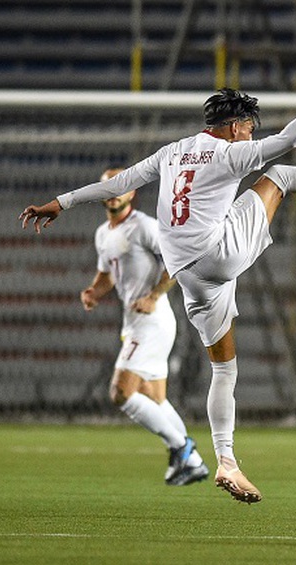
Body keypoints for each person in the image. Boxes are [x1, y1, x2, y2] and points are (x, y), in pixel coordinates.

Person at [20, 67, 296, 504]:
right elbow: (287, 141)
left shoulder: (171, 152)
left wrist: (62, 202)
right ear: (236, 127)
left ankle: (226, 460)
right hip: (220, 253)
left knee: (224, 367)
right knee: (281, 176)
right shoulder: (228, 154)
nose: (250, 135)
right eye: (249, 129)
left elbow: (121, 182)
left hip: (188, 277)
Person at [81, 168, 208, 486]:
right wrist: (93, 292)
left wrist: (153, 296)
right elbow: (107, 274)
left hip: (152, 321)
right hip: (136, 322)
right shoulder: (103, 234)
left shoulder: (145, 227)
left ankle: (181, 446)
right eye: (107, 186)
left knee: (120, 393)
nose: (113, 192)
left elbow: (177, 261)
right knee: (153, 398)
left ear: (131, 193)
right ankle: (193, 462)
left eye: (119, 186)